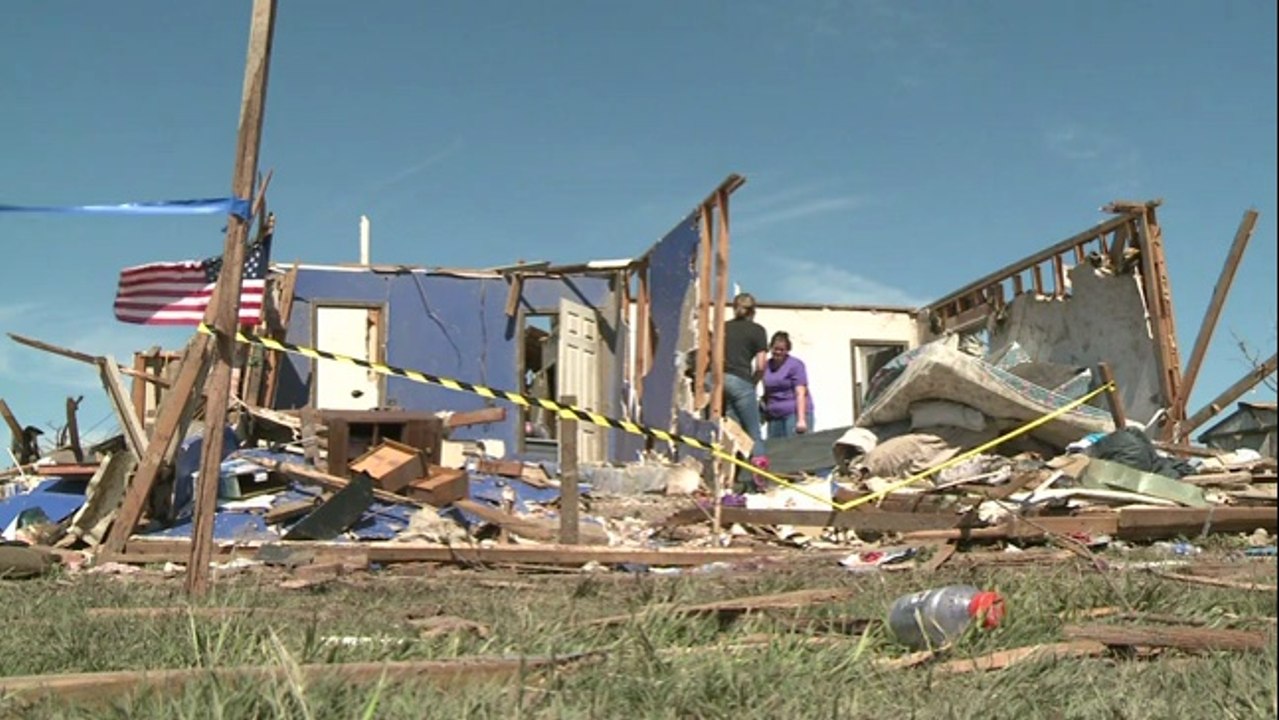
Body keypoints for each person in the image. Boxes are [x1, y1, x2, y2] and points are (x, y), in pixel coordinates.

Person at [720, 293, 769, 453]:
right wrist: (753, 383)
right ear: (753, 311)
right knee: (753, 431)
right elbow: (761, 366)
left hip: (720, 380)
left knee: (731, 430)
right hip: (741, 381)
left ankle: (728, 472)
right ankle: (759, 472)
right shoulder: (758, 330)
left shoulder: (723, 327)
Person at [761, 331, 813, 438]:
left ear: (787, 350)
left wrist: (801, 420)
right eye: (775, 349)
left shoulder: (795, 365)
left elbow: (800, 393)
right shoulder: (766, 366)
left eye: (782, 349)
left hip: (793, 414)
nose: (778, 352)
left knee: (794, 450)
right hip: (774, 416)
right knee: (775, 450)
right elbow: (767, 392)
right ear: (770, 348)